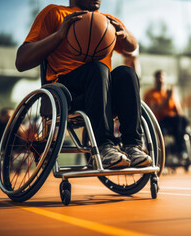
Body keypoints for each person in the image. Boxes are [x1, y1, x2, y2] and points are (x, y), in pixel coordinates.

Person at [15, 0, 151, 169]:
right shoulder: (54, 13)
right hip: (67, 94)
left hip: (102, 94)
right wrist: (59, 35)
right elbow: (21, 61)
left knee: (126, 73)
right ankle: (105, 147)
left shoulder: (106, 20)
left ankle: (133, 146)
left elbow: (131, 47)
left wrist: (126, 34)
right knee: (97, 69)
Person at [144, 70, 189, 158]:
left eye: (162, 77)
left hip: (174, 123)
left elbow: (179, 112)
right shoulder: (150, 94)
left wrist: (174, 98)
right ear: (155, 79)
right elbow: (156, 111)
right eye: (158, 77)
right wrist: (167, 99)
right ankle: (175, 149)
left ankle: (180, 149)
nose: (160, 80)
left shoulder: (169, 93)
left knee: (182, 120)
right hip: (159, 122)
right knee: (178, 122)